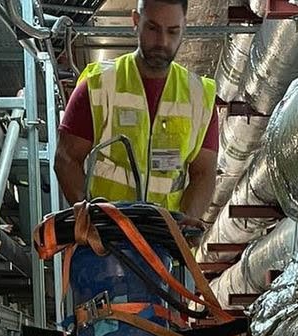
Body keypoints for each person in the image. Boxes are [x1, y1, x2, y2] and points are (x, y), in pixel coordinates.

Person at [54, 0, 218, 222]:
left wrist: (184, 224)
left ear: (184, 27)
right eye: (152, 28)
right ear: (136, 21)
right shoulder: (98, 85)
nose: (162, 41)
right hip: (107, 235)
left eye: (172, 31)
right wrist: (90, 221)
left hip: (163, 237)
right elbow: (66, 159)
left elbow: (204, 173)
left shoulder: (200, 96)